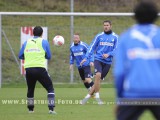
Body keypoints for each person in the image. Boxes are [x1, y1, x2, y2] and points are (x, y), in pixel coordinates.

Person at [113, 1, 160, 120]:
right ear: (156, 16)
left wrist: (120, 99)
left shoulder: (126, 38)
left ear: (135, 16)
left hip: (133, 94)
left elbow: (119, 73)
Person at [19, 26, 56, 114]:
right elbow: (49, 56)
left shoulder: (26, 42)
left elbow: (20, 55)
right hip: (40, 68)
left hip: (28, 69)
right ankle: (51, 109)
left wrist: (29, 56)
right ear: (42, 34)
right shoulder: (44, 42)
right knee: (50, 88)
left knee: (30, 89)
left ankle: (30, 110)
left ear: (33, 33)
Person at [80, 20, 118, 104]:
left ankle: (86, 98)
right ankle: (98, 97)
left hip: (108, 62)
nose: (106, 26)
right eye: (104, 25)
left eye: (107, 25)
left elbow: (117, 49)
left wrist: (109, 54)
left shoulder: (115, 37)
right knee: (98, 75)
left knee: (98, 81)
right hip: (98, 59)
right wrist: (86, 57)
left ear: (110, 26)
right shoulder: (99, 36)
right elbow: (92, 47)